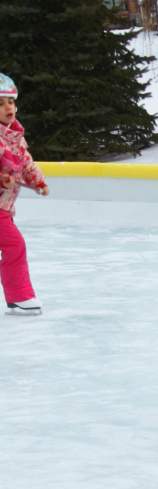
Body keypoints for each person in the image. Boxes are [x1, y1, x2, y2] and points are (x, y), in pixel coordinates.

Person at [0, 72, 49, 316]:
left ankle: (18, 296)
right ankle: (20, 296)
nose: (8, 107)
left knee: (13, 245)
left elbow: (26, 163)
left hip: (4, 209)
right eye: (0, 103)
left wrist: (38, 181)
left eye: (10, 101)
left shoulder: (14, 137)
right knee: (15, 245)